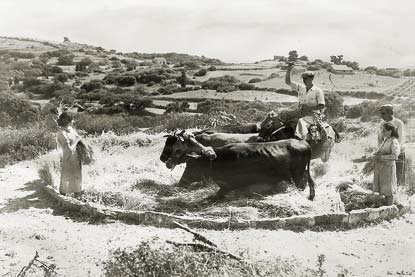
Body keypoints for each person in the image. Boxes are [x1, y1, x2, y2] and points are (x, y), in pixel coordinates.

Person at [285, 64, 335, 141]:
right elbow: (288, 82)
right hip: (299, 112)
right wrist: (289, 70)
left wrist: (309, 108)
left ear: (311, 79)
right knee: (284, 119)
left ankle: (303, 142)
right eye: (303, 79)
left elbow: (322, 105)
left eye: (306, 79)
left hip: (313, 115)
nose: (304, 80)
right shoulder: (301, 87)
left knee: (301, 122)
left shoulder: (318, 91)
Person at [372, 122, 401, 205]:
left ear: (390, 131)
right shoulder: (386, 140)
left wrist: (381, 157)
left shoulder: (394, 141)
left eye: (384, 131)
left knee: (389, 191)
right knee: (383, 190)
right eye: (382, 130)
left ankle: (390, 209)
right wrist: (375, 154)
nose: (382, 132)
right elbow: (380, 151)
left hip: (389, 169)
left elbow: (395, 156)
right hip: (382, 168)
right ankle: (386, 207)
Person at [378, 104, 406, 186]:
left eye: (383, 113)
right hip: (386, 154)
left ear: (390, 113)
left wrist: (393, 152)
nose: (381, 116)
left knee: (399, 176)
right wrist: (381, 151)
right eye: (381, 114)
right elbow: (380, 139)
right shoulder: (382, 124)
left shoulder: (398, 123)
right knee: (388, 177)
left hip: (398, 153)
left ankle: (401, 195)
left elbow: (400, 140)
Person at [56, 111, 82, 195]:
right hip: (68, 159)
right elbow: (69, 150)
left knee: (77, 180)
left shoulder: (71, 130)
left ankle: (77, 199)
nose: (73, 121)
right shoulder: (61, 133)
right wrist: (77, 140)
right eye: (72, 119)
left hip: (76, 158)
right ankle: (63, 200)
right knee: (65, 181)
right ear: (68, 121)